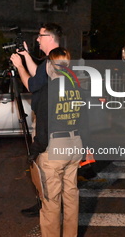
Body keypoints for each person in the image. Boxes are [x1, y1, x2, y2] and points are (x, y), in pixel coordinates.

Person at [29, 47, 89, 237]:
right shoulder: (78, 89)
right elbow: (85, 121)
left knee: (51, 201)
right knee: (71, 196)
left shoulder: (48, 91)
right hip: (75, 144)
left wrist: (34, 151)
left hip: (55, 148)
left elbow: (43, 129)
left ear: (49, 66)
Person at [10, 23, 63, 217]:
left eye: (40, 36)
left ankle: (45, 203)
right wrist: (26, 56)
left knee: (43, 168)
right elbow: (38, 75)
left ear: (50, 37)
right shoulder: (57, 59)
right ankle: (44, 201)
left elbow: (32, 84)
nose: (38, 39)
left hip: (48, 124)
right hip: (59, 126)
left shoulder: (52, 61)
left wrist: (19, 66)